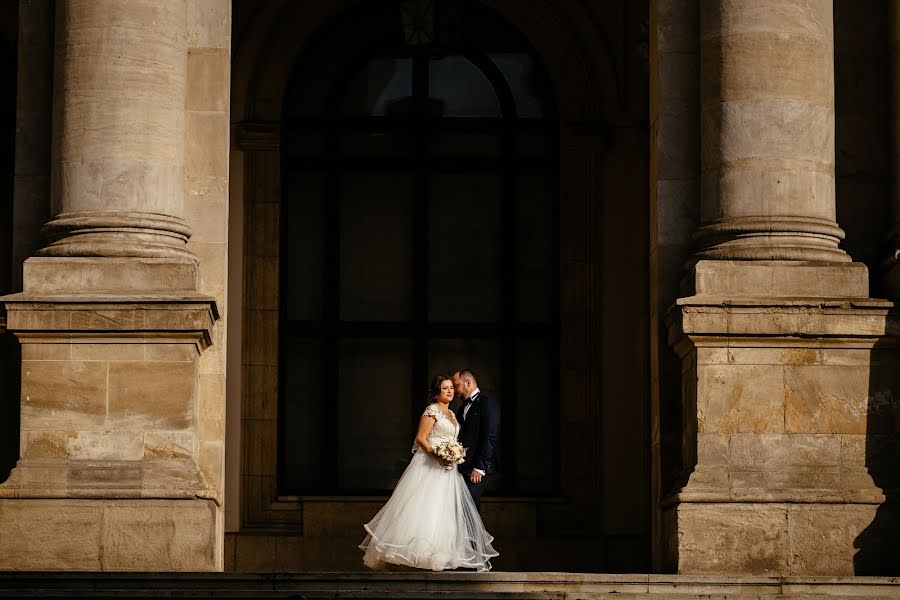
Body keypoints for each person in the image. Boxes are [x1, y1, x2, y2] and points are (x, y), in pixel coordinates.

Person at [359, 375, 498, 571]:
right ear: (437, 392)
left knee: (445, 511)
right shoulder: (431, 411)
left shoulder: (451, 413)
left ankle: (441, 555)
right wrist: (437, 455)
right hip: (431, 466)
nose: (450, 391)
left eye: (451, 388)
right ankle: (420, 553)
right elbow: (421, 439)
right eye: (445, 388)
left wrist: (456, 453)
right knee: (426, 507)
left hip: (449, 471)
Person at [452, 369, 500, 512]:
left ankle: (473, 535)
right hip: (462, 467)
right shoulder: (462, 408)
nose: (454, 391)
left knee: (468, 508)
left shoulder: (488, 404)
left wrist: (479, 468)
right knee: (467, 509)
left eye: (456, 385)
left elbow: (490, 437)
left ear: (468, 383)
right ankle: (472, 535)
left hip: (478, 468)